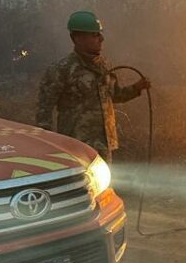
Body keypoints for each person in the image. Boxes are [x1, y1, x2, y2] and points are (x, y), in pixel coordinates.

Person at [36, 10, 150, 162]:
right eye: (95, 35)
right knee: (80, 185)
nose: (101, 39)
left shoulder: (105, 66)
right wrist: (48, 146)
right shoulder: (61, 70)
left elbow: (115, 96)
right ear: (77, 38)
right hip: (76, 146)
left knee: (103, 185)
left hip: (104, 145)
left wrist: (137, 88)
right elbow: (44, 110)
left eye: (100, 34)